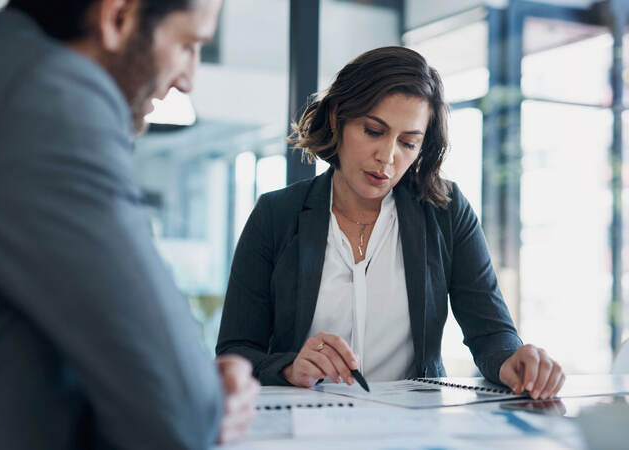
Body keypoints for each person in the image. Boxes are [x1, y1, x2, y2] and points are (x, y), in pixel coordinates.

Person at [217, 46, 565, 400]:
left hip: (412, 427)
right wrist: (290, 367)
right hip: (304, 424)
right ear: (338, 117)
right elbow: (236, 350)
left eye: (408, 142)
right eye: (372, 131)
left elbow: (491, 333)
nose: (387, 157)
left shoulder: (446, 210)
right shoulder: (276, 214)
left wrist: (514, 360)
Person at [0, 0, 259, 448]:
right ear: (119, 18)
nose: (188, 80)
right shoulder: (47, 96)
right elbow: (179, 417)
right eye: (188, 45)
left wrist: (180, 381)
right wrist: (197, 392)